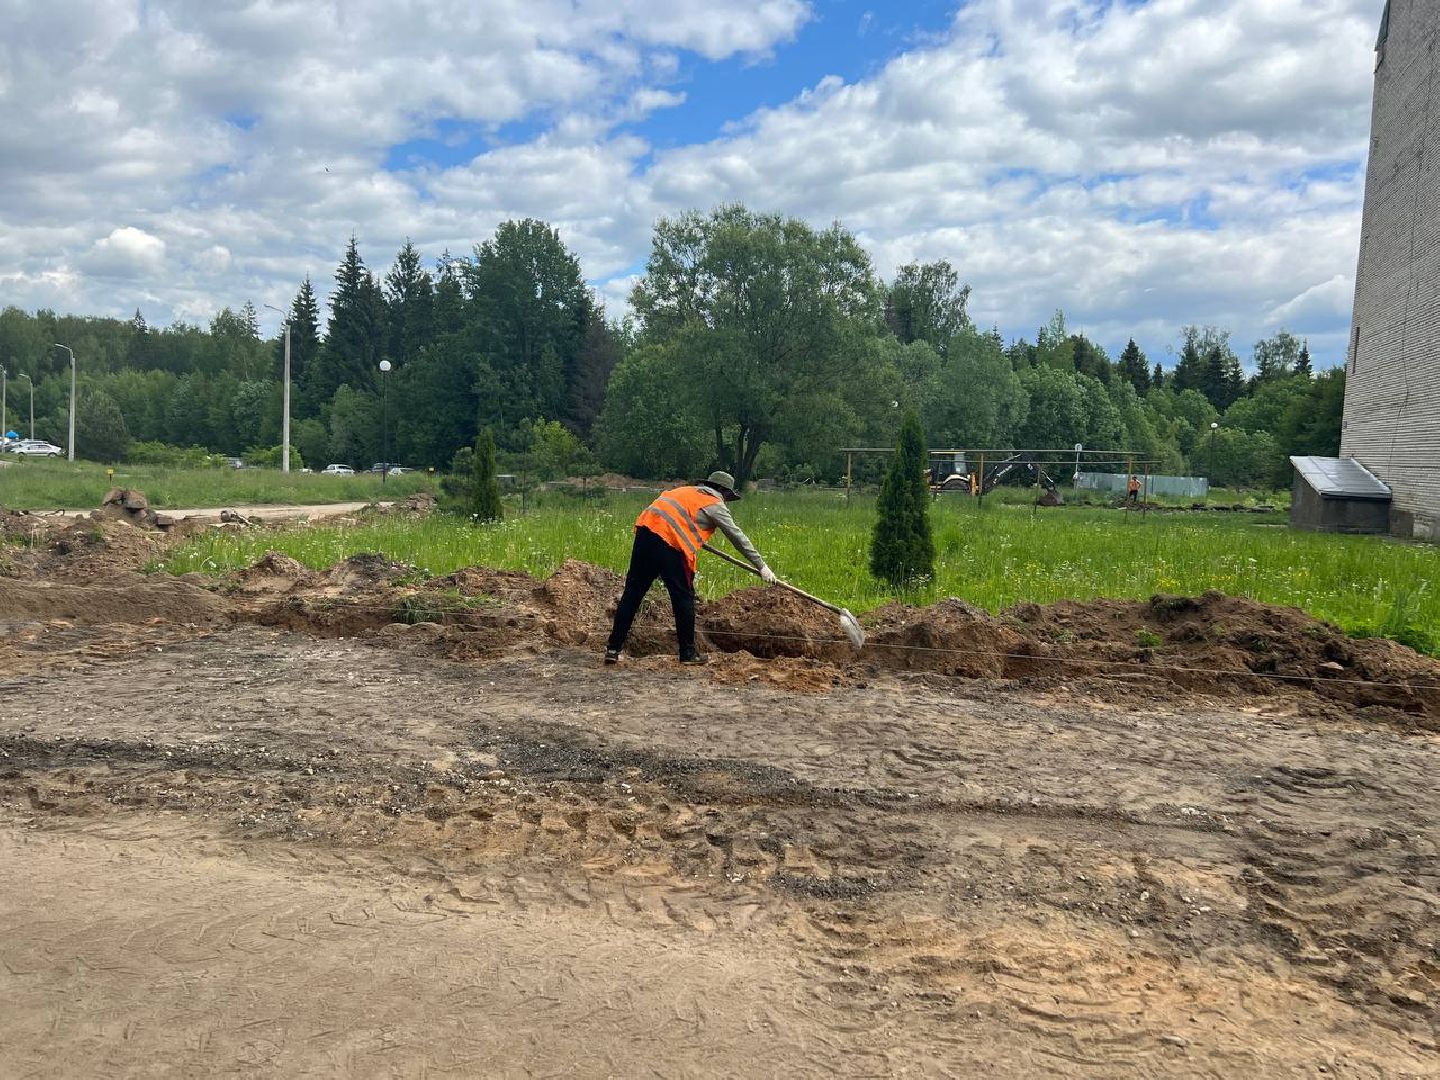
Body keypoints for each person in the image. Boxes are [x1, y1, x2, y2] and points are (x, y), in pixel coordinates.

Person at [605, 471, 776, 665]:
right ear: (722, 490)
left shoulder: (685, 491)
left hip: (645, 534)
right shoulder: (714, 503)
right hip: (669, 543)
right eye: (728, 496)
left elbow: (672, 516)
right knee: (683, 597)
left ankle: (613, 649)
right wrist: (762, 566)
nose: (726, 501)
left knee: (633, 593)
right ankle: (688, 653)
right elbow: (738, 538)